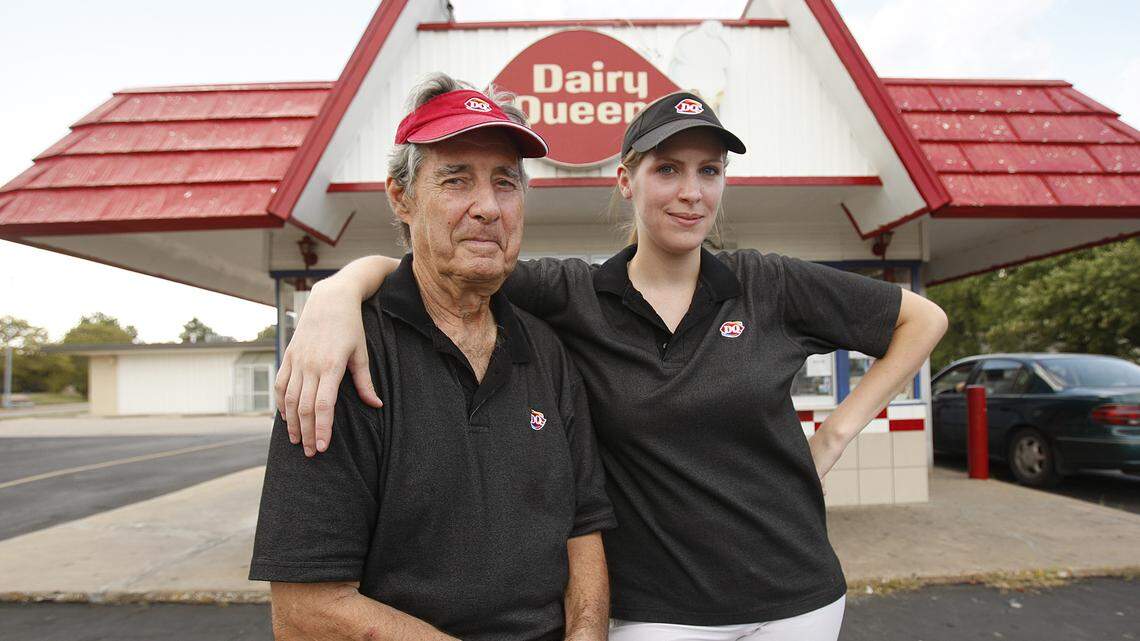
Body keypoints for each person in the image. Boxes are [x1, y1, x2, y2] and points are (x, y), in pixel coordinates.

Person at [276, 89, 948, 640]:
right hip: (658, 610)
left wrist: (834, 432)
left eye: (709, 170)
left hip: (794, 592)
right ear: (625, 178)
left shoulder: (768, 283)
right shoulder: (572, 295)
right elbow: (448, 265)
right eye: (668, 168)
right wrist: (340, 291)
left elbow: (923, 320)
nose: (690, 191)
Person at [249, 74, 616, 641]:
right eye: (455, 180)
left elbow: (583, 532)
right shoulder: (342, 358)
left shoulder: (546, 349)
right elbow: (305, 610)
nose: (487, 208)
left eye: (505, 183)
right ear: (401, 197)